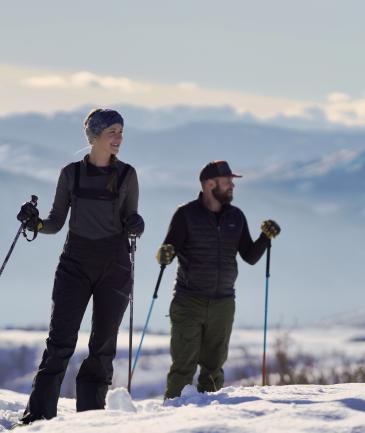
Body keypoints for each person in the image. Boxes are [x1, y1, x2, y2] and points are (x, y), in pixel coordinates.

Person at [19, 108, 144, 423]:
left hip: (114, 265)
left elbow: (133, 222)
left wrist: (136, 224)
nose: (119, 138)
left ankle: (90, 420)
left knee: (102, 347)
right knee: (60, 342)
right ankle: (37, 418)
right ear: (95, 136)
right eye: (113, 131)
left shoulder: (128, 175)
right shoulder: (70, 173)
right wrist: (34, 224)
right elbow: (56, 223)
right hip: (74, 264)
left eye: (121, 132)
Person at [156, 160, 280, 399]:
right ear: (209, 184)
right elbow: (168, 252)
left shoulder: (236, 217)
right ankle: (170, 416)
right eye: (227, 182)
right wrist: (163, 255)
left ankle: (209, 421)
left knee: (213, 370)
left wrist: (265, 238)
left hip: (223, 303)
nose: (232, 186)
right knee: (183, 367)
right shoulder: (186, 215)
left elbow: (250, 256)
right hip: (188, 302)